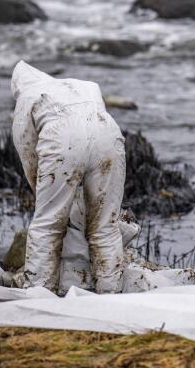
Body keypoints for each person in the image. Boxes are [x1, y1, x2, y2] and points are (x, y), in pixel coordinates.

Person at [10, 61, 126, 293]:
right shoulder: (86, 86)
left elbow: (29, 156)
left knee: (47, 224)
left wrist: (46, 193)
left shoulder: (27, 97)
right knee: (105, 226)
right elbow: (92, 124)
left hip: (61, 140)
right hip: (109, 136)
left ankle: (41, 293)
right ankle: (111, 295)